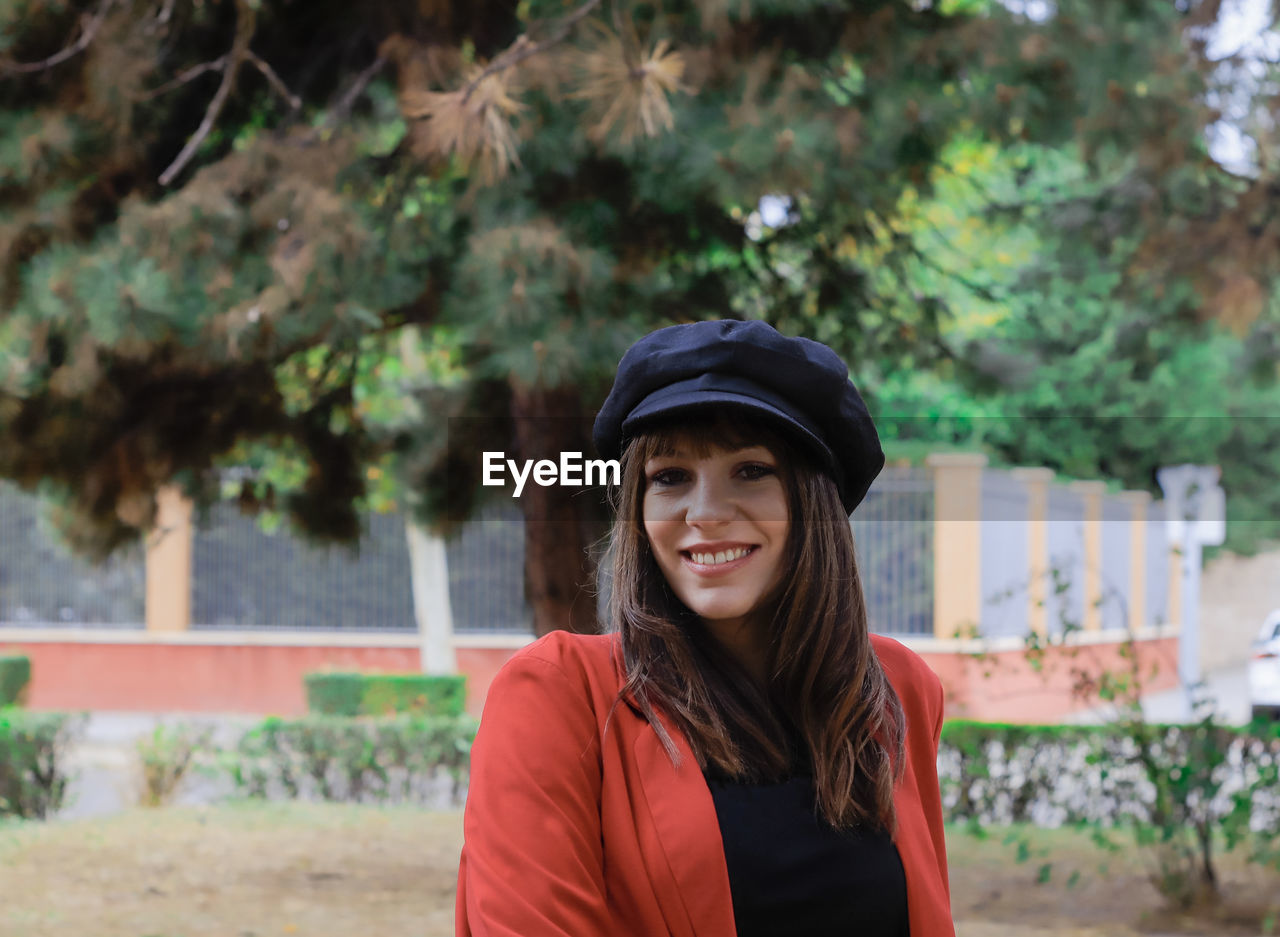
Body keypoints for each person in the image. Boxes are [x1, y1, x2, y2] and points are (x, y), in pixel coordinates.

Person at [456, 319, 954, 937]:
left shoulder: (894, 689)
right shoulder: (559, 696)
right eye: (670, 477)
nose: (706, 513)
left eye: (751, 470)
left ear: (813, 504)